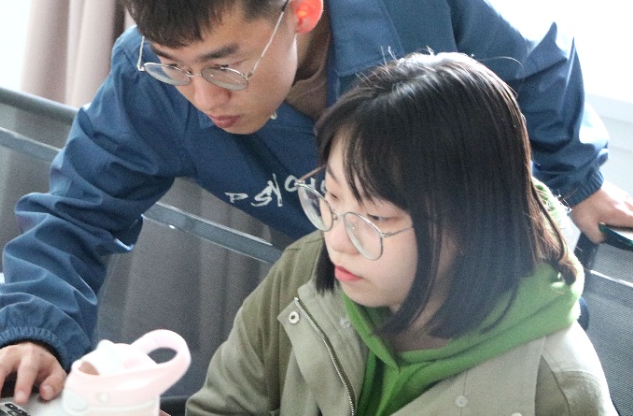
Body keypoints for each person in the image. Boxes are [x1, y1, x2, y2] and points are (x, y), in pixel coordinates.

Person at [0, 0, 633, 409]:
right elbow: (76, 212)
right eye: (174, 65)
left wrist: (580, 178)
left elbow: (540, 59)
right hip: (342, 301)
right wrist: (34, 329)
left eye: (225, 66)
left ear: (302, 13)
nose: (200, 96)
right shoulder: (149, 76)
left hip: (466, 307)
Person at [186, 52, 616, 415]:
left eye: (376, 217)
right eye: (331, 197)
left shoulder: (556, 386)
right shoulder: (303, 271)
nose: (336, 240)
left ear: (473, 222)